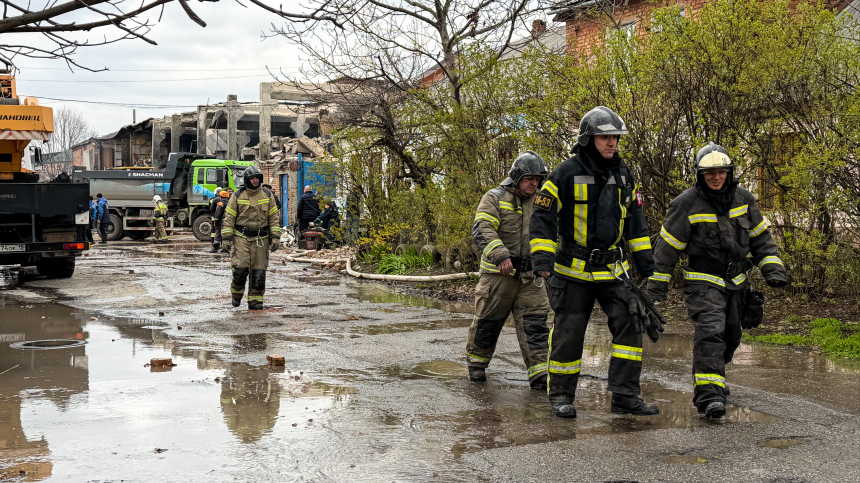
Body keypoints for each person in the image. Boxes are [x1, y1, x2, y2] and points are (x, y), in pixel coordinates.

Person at [530, 106, 661, 418]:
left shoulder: (624, 173)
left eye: (614, 137)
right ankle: (561, 395)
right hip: (572, 272)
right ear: (589, 138)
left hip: (613, 271)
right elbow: (542, 217)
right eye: (605, 137)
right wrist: (541, 258)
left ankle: (625, 396)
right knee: (569, 334)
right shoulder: (565, 172)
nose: (611, 143)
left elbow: (636, 222)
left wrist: (647, 264)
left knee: (631, 327)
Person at [646, 142, 787, 419]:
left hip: (737, 281)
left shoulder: (744, 199)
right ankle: (710, 395)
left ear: (729, 172)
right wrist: (656, 288)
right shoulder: (685, 204)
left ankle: (712, 376)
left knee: (731, 336)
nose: (716, 177)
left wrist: (774, 271)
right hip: (703, 281)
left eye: (721, 171)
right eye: (709, 172)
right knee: (711, 332)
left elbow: (762, 240)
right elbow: (666, 250)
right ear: (699, 174)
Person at [467, 151, 553, 390]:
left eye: (538, 179)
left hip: (530, 278)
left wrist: (547, 263)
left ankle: (539, 375)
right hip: (498, 277)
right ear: (516, 177)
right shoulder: (493, 198)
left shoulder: (541, 202)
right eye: (529, 179)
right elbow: (482, 229)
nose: (535, 184)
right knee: (488, 323)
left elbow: (550, 232)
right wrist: (501, 255)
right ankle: (476, 365)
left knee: (535, 326)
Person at [221, 166, 282, 310]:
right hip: (241, 237)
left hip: (261, 238)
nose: (255, 181)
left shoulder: (268, 195)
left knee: (259, 271)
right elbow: (229, 218)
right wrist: (227, 238)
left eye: (257, 178)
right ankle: (236, 295)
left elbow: (274, 218)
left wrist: (275, 237)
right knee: (241, 269)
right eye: (252, 178)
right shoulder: (237, 195)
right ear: (247, 180)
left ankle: (255, 301)